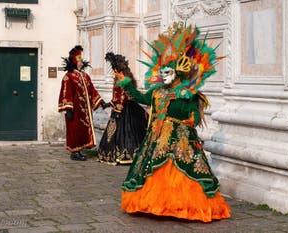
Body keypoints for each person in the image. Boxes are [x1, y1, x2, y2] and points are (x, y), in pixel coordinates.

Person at [115, 22, 231, 222]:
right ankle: (152, 204)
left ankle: (182, 206)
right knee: (152, 169)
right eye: (161, 72)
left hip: (180, 138)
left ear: (177, 73)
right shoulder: (157, 91)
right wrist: (126, 83)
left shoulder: (188, 93)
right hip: (157, 135)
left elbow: (194, 112)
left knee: (182, 169)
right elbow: (142, 99)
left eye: (167, 72)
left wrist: (192, 118)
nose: (162, 76)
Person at [97, 52, 148, 165]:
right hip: (118, 109)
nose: (114, 72)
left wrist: (117, 108)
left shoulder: (125, 81)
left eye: (115, 70)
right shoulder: (118, 80)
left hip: (125, 110)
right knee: (113, 133)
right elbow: (116, 97)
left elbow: (123, 97)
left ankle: (127, 155)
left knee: (128, 132)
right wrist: (109, 104)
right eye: (114, 70)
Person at [58, 45, 107, 161]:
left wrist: (101, 102)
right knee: (74, 131)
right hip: (74, 111)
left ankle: (79, 151)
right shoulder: (68, 77)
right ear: (74, 62)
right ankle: (74, 152)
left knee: (82, 131)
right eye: (78, 61)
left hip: (84, 111)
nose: (80, 63)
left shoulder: (85, 76)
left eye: (81, 61)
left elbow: (92, 90)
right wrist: (68, 108)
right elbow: (66, 93)